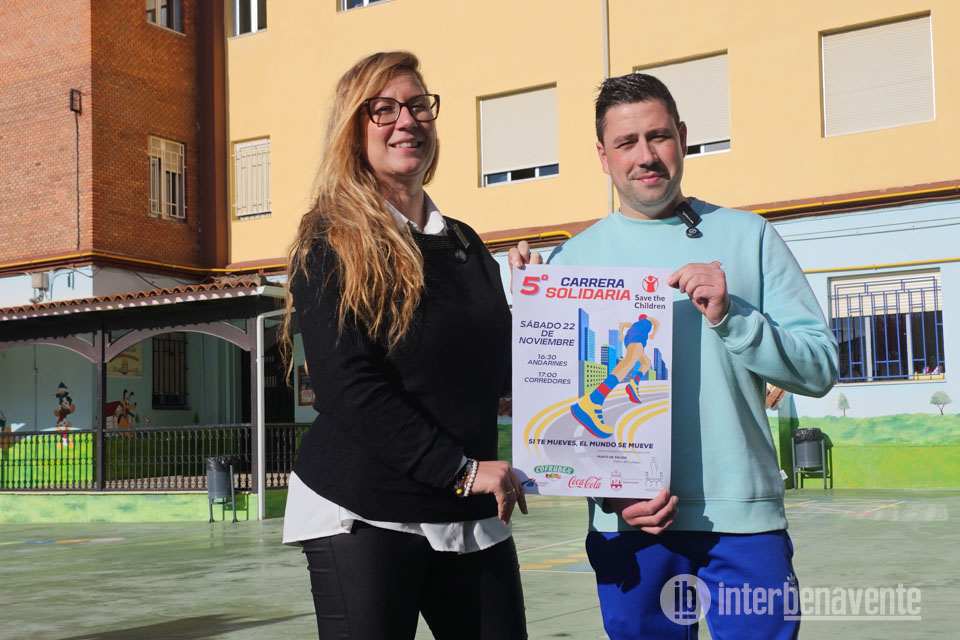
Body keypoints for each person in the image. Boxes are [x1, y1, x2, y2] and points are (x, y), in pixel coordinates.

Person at [510, 73, 838, 639]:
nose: (646, 156)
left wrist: (733, 315)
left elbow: (819, 368)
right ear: (602, 156)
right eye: (626, 142)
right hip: (630, 526)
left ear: (682, 137)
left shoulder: (749, 236)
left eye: (658, 136)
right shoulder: (567, 264)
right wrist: (611, 494)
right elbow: (562, 418)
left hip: (744, 521)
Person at [281, 51, 527, 640]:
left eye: (418, 105)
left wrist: (541, 310)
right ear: (353, 129)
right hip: (363, 507)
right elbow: (347, 386)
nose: (407, 121)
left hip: (466, 506)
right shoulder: (329, 238)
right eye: (384, 109)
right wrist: (462, 471)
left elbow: (493, 378)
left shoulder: (465, 244)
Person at [570, 313, 661, 438]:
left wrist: (621, 335)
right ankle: (594, 400)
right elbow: (657, 322)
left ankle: (633, 384)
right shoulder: (647, 321)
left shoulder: (634, 324)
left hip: (630, 339)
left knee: (646, 362)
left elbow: (622, 324)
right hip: (637, 339)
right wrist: (653, 334)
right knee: (629, 362)